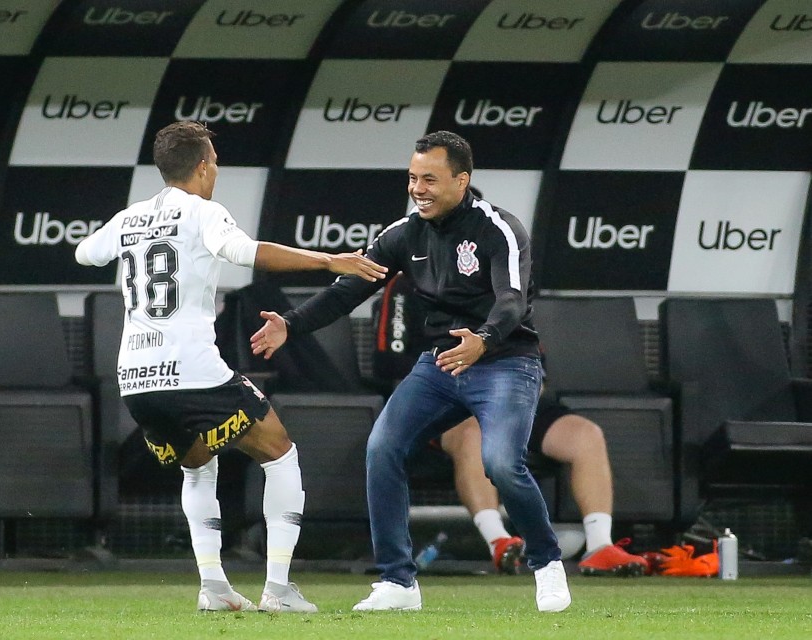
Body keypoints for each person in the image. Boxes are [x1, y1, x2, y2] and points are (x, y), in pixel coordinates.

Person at [250, 131, 572, 613]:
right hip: (441, 364)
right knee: (383, 448)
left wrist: (482, 340)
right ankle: (398, 582)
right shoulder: (404, 233)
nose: (417, 188)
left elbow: (513, 300)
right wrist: (291, 326)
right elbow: (346, 290)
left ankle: (546, 564)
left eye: (429, 179)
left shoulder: (499, 228)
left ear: (462, 181)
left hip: (504, 360)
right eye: (412, 178)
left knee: (502, 463)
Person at [74, 120, 387, 613]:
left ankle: (214, 588)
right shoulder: (203, 212)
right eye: (214, 163)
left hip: (135, 378)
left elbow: (85, 253)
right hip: (193, 372)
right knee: (280, 453)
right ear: (202, 166)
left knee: (198, 468)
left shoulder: (130, 217)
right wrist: (330, 262)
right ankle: (278, 588)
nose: (215, 171)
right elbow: (244, 252)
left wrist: (127, 237)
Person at [439, 401, 650, 576]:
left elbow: (537, 376)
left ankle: (600, 545)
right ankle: (498, 541)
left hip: (516, 401)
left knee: (587, 434)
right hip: (459, 406)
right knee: (473, 433)